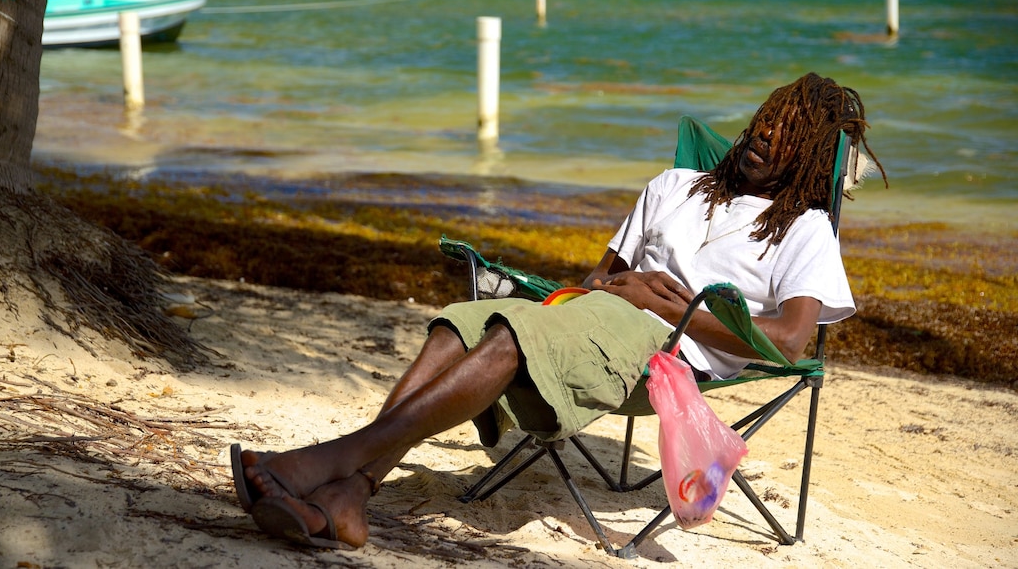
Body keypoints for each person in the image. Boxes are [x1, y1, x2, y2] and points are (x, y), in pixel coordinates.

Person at [230, 72, 886, 549]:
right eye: (767, 117)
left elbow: (792, 340)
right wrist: (627, 290)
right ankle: (350, 496)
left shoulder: (801, 231)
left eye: (786, 132)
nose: (765, 133)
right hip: (600, 320)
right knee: (459, 325)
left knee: (509, 336)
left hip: (667, 362)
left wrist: (682, 313)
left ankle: (322, 464)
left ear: (805, 156)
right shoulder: (673, 187)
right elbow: (603, 278)